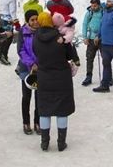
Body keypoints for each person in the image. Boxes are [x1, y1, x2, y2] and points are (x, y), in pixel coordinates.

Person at [33, 12, 80, 151]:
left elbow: (35, 53)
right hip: (62, 77)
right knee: (62, 110)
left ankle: (44, 142)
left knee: (45, 110)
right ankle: (61, 142)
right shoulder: (61, 38)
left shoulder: (36, 38)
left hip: (44, 77)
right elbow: (71, 54)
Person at [16, 10, 40, 135]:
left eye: (36, 19)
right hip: (26, 68)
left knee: (39, 97)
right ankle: (26, 122)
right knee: (26, 96)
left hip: (40, 69)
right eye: (32, 20)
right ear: (27, 21)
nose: (35, 22)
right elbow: (21, 50)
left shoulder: (41, 31)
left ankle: (38, 122)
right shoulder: (22, 32)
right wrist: (31, 63)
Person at [80, 0, 103, 86]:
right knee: (89, 58)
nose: (93, 7)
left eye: (95, 5)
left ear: (99, 5)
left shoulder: (103, 12)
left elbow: (104, 24)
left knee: (105, 58)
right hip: (91, 38)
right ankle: (88, 77)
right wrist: (85, 37)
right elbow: (84, 24)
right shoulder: (89, 12)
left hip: (101, 39)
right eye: (92, 5)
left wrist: (99, 36)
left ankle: (108, 77)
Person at [0, 0, 19, 65]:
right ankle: (3, 55)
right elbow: (12, 11)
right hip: (9, 20)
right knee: (8, 38)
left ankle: (1, 54)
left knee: (5, 36)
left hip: (3, 19)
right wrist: (16, 21)